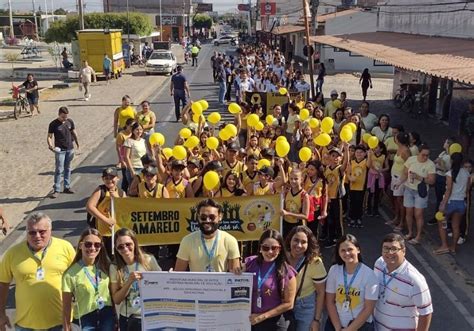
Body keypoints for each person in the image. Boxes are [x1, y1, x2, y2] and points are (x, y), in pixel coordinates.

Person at [0, 212, 75, 331]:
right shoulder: (13, 253)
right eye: (32, 232)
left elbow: (78, 278)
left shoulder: (65, 248)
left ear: (50, 230)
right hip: (26, 325)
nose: (37, 236)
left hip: (61, 323)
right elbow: (3, 284)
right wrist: (1, 314)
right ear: (27, 232)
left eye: (42, 231)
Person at [373, 233, 433, 331]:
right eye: (386, 248)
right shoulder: (379, 264)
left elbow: (426, 313)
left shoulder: (414, 280)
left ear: (403, 251)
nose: (389, 253)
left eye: (394, 249)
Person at [242, 229, 297, 330]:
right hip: (251, 320)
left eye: (274, 248)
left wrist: (263, 316)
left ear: (280, 249)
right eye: (265, 247)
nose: (270, 252)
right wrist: (236, 269)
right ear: (260, 248)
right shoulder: (250, 263)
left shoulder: (287, 271)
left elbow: (289, 304)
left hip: (274, 322)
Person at [62, 228, 114, 331]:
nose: (92, 248)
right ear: (81, 245)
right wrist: (67, 328)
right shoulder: (70, 274)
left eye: (97, 245)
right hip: (85, 320)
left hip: (107, 317)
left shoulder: (106, 267)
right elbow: (66, 308)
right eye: (88, 244)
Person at [110, 228, 162, 331]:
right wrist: (128, 282)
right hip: (128, 318)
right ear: (116, 249)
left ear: (135, 243)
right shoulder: (114, 267)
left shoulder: (148, 260)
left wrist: (170, 276)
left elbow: (162, 284)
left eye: (128, 244)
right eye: (120, 247)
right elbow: (116, 299)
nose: (125, 249)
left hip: (148, 315)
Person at [325, 234, 379, 331]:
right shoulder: (334, 270)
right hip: (336, 324)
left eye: (350, 249)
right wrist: (338, 328)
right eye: (343, 250)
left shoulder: (369, 275)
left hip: (361, 326)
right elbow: (330, 301)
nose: (347, 253)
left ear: (358, 250)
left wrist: (349, 329)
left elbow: (368, 309)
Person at [175, 199, 240, 272]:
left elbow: (234, 276)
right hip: (196, 283)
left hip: (220, 283)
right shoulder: (187, 241)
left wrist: (239, 272)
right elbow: (178, 274)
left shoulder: (230, 240)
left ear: (220, 217)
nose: (207, 220)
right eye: (203, 217)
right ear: (198, 217)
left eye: (212, 217)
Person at [285, 226, 327, 331]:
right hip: (284, 305)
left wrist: (316, 320)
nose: (299, 245)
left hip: (305, 307)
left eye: (303, 242)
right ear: (290, 240)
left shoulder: (315, 262)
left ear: (309, 244)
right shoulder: (282, 257)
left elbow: (321, 293)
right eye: (296, 240)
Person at [395, 144, 436, 245]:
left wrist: (419, 177)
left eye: (427, 155)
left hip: (420, 191)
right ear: (419, 153)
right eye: (423, 155)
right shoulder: (411, 160)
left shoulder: (430, 165)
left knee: (418, 214)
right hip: (409, 188)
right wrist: (399, 183)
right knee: (409, 212)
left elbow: (432, 181)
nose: (425, 157)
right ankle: (410, 232)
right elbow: (405, 173)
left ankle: (418, 236)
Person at [86, 167, 126, 257]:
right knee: (104, 257)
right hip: (102, 232)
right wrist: (106, 220)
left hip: (117, 232)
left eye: (112, 178)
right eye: (106, 178)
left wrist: (116, 198)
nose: (109, 180)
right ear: (102, 179)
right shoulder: (101, 190)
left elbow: (125, 209)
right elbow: (90, 206)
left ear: (118, 178)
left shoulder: (121, 193)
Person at [435, 152, 470, 255]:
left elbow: (448, 190)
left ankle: (444, 245)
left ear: (451, 161)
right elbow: (467, 189)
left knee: (441, 222)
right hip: (461, 203)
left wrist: (443, 203)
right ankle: (453, 247)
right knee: (456, 226)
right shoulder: (466, 173)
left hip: (450, 202)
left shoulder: (450, 173)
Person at [47, 106, 79, 198]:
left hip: (70, 148)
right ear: (59, 114)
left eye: (66, 116)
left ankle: (67, 186)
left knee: (68, 168)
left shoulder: (70, 121)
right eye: (63, 117)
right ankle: (56, 189)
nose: (65, 119)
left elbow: (74, 131)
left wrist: (77, 142)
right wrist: (50, 145)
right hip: (60, 150)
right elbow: (49, 136)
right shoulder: (53, 124)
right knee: (59, 170)